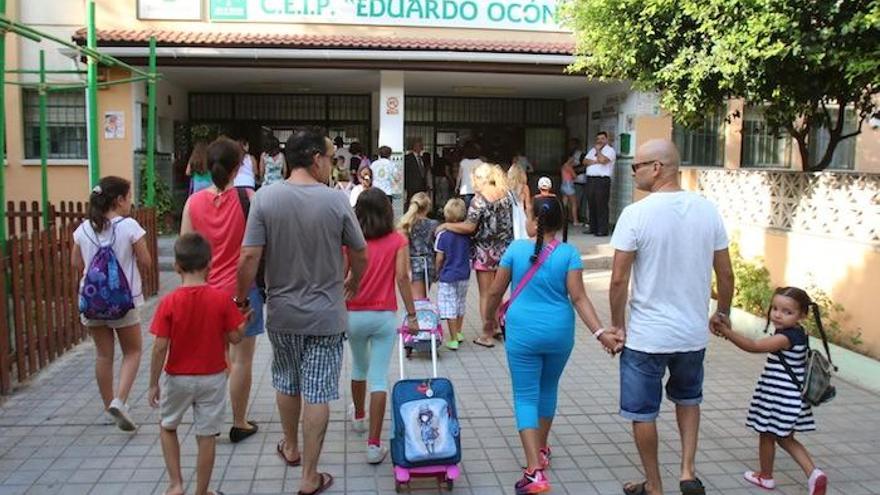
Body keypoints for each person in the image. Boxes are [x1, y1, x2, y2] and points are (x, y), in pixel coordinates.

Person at [235, 128, 367, 495]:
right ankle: (309, 475)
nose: (332, 163)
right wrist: (354, 280)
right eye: (329, 157)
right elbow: (361, 251)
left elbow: (248, 256)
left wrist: (239, 300)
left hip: (281, 313)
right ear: (314, 158)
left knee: (286, 380)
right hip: (326, 315)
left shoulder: (264, 199)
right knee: (318, 393)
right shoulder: (336, 201)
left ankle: (290, 446)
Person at [609, 139, 734, 495]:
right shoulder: (707, 210)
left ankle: (655, 485)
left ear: (658, 167)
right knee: (688, 399)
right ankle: (687, 472)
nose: (634, 171)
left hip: (647, 337)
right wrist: (721, 313)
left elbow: (619, 279)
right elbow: (725, 274)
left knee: (643, 412)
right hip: (692, 334)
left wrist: (617, 325)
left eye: (638, 166)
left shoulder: (636, 214)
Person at [483, 196, 620, 495]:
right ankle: (541, 449)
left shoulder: (516, 249)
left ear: (534, 221)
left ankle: (534, 471)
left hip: (522, 332)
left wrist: (488, 323)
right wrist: (600, 333)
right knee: (547, 389)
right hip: (559, 333)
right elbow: (580, 297)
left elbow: (495, 291)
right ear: (560, 223)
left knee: (525, 395)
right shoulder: (569, 253)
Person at [180, 137, 264, 444]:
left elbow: (184, 251)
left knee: (212, 360)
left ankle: (208, 422)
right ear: (238, 167)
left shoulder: (193, 203)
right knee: (241, 360)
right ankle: (239, 422)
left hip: (202, 292)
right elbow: (257, 249)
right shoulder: (249, 199)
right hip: (243, 290)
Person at [148, 233, 245, 495]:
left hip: (177, 376)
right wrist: (243, 322)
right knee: (207, 435)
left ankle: (176, 483)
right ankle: (202, 491)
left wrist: (152, 383)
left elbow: (159, 347)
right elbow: (235, 337)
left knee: (168, 426)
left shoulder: (168, 302)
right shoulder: (221, 299)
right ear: (209, 265)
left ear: (177, 266)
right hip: (212, 376)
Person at [713, 287, 828, 495]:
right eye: (775, 308)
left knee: (766, 434)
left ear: (802, 315)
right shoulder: (798, 333)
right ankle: (814, 474)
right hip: (790, 397)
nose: (777, 314)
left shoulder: (787, 337)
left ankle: (765, 476)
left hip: (779, 397)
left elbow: (754, 346)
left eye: (787, 311)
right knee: (785, 438)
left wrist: (727, 332)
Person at [346, 187, 419, 465]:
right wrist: (412, 314)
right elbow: (402, 278)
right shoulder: (398, 240)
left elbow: (342, 275)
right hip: (384, 315)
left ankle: (359, 417)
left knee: (358, 367)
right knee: (378, 377)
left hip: (353, 313)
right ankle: (374, 445)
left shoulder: (350, 242)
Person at [73, 176, 151, 432]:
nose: (131, 202)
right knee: (133, 351)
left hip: (92, 300)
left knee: (103, 354)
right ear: (118, 200)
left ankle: (109, 406)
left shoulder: (83, 229)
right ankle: (121, 400)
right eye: (129, 197)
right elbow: (146, 260)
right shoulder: (129, 226)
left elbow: (76, 263)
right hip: (123, 302)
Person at [439, 163, 513, 348]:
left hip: (485, 251)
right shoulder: (506, 194)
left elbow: (470, 226)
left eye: (474, 179)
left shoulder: (479, 200)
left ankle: (486, 334)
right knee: (498, 291)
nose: (473, 183)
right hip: (504, 249)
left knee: (486, 294)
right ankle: (496, 326)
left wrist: (447, 225)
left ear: (481, 179)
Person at [434, 198, 471, 350]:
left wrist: (437, 271)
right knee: (460, 303)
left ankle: (453, 338)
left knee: (449, 306)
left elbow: (439, 257)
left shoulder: (443, 235)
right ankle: (459, 331)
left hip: (448, 275)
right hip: (464, 273)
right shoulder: (467, 235)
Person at [398, 192, 438, 300]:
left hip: (414, 263)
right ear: (427, 208)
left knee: (417, 301)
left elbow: (405, 249)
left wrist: (407, 270)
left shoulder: (407, 225)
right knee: (423, 298)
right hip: (429, 263)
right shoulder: (433, 224)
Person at [581, 131, 616, 236]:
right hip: (591, 179)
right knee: (591, 204)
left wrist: (598, 151)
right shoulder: (592, 150)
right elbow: (585, 161)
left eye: (602, 138)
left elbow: (603, 160)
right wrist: (596, 160)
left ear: (606, 139)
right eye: (598, 139)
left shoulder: (610, 150)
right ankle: (593, 227)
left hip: (602, 180)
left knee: (601, 204)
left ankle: (602, 230)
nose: (599, 141)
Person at [506, 165, 532, 240]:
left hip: (510, 214)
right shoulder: (525, 187)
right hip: (521, 214)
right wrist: (530, 218)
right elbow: (528, 206)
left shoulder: (506, 188)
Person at [404, 138, 432, 205]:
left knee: (421, 203)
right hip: (412, 186)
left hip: (422, 185)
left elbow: (425, 171)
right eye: (419, 146)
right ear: (414, 147)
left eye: (421, 146)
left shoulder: (423, 157)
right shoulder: (408, 158)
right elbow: (406, 172)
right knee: (412, 203)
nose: (421, 147)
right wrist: (406, 186)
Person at [456, 141, 484, 209]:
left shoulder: (463, 162)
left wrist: (457, 187)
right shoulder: (479, 162)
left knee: (467, 209)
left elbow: (459, 176)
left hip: (465, 190)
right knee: (476, 209)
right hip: (477, 189)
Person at [568, 138, 587, 227]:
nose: (570, 146)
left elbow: (584, 167)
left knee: (577, 202)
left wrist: (574, 171)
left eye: (572, 144)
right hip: (574, 181)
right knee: (574, 202)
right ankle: (572, 218)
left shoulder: (581, 155)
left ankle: (576, 218)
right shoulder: (572, 154)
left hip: (580, 180)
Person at [559, 157, 579, 225]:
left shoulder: (563, 166)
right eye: (572, 159)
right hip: (569, 185)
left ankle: (565, 219)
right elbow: (574, 176)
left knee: (565, 204)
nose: (574, 160)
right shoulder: (568, 166)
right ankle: (575, 221)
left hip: (563, 184)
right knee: (574, 203)